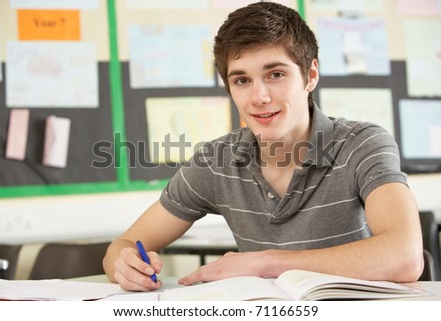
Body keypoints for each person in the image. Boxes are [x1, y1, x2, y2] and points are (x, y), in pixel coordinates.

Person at [103, 2, 424, 291]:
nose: (259, 97)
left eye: (275, 74)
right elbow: (124, 245)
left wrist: (265, 262)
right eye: (242, 80)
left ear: (310, 75)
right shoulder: (216, 160)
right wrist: (125, 264)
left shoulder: (362, 143)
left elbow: (405, 257)